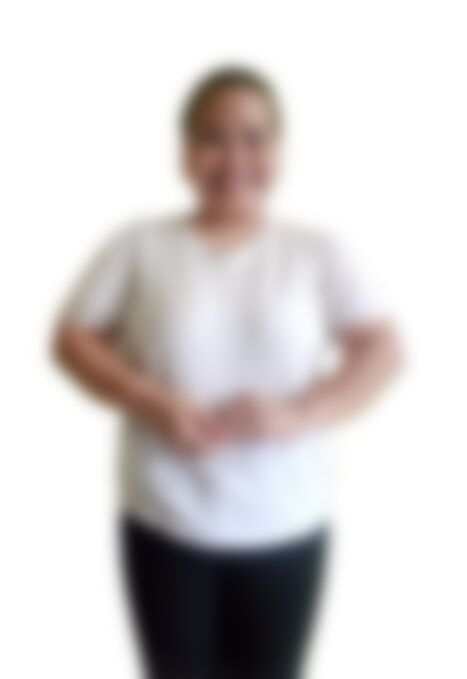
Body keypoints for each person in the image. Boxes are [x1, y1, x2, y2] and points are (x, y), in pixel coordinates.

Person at [54, 66, 402, 679]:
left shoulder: (316, 251)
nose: (234, 156)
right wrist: (150, 398)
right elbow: (73, 338)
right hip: (167, 518)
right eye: (213, 137)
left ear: (279, 150)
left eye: (254, 137)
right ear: (185, 151)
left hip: (286, 519)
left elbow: (382, 348)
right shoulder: (140, 245)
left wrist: (299, 415)